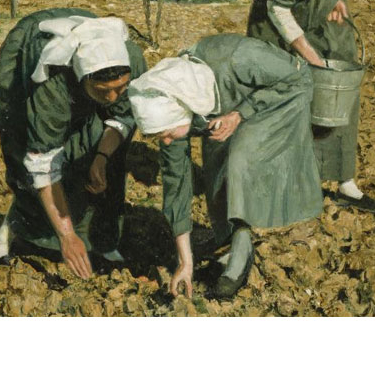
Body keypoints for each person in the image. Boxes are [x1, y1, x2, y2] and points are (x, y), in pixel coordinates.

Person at [128, 34, 323, 299]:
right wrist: (186, 261)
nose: (164, 140)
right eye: (158, 136)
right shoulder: (173, 106)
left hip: (279, 98)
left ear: (179, 111)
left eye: (166, 132)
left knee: (239, 160)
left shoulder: (238, 58)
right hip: (228, 109)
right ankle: (228, 242)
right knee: (217, 168)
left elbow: (296, 78)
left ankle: (240, 254)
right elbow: (177, 185)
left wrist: (241, 113)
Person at [247, 0, 375, 212]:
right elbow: (278, 6)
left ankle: (344, 180)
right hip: (280, 25)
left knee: (341, 87)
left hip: (323, 19)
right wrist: (306, 53)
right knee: (286, 96)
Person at [0, 8, 147, 279]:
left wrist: (101, 158)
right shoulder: (51, 83)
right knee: (27, 158)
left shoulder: (132, 60)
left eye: (122, 88)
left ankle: (103, 242)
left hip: (85, 49)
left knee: (103, 151)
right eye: (105, 91)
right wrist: (66, 235)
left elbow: (122, 119)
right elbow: (42, 161)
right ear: (83, 80)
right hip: (26, 53)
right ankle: (6, 240)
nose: (115, 96)